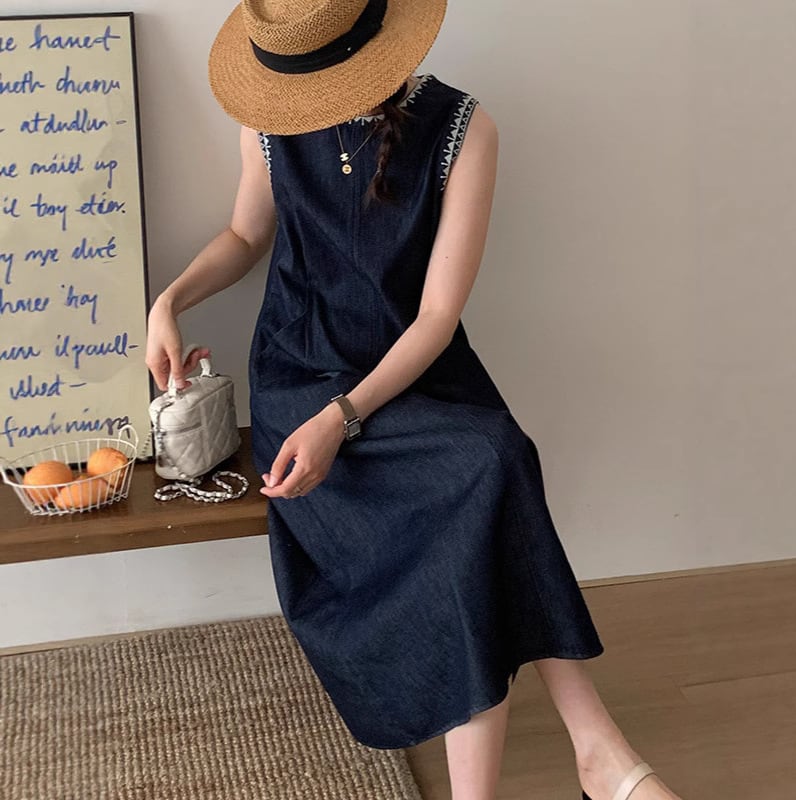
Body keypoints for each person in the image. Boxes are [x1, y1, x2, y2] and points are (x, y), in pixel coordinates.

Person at [145, 2, 684, 799]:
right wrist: (171, 300)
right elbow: (246, 234)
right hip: (300, 380)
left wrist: (345, 420)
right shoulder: (267, 122)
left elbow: (435, 319)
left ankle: (587, 758)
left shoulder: (465, 131)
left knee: (486, 471)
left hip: (415, 376)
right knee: (485, 472)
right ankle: (599, 753)